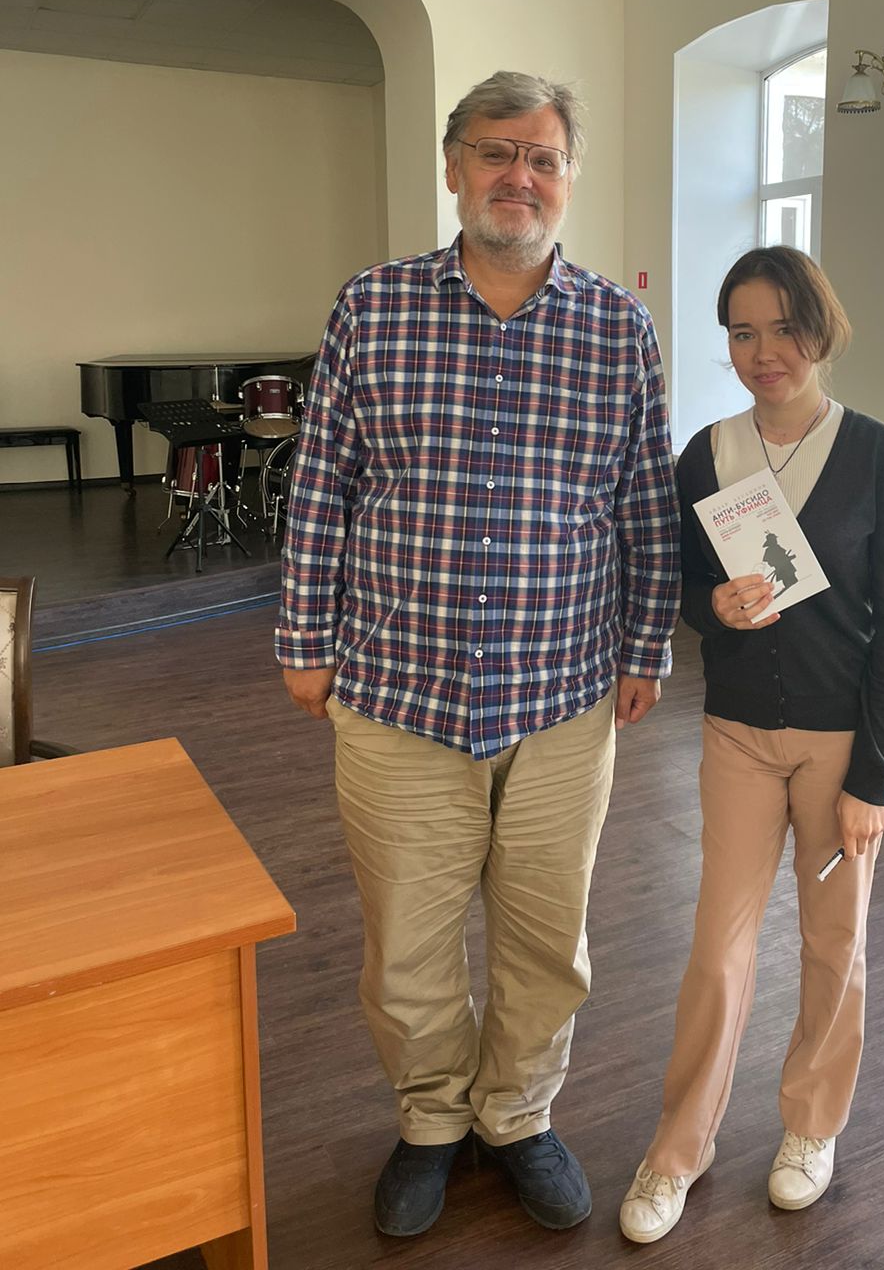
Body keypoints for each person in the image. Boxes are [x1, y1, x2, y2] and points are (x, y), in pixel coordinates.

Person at [277, 71, 679, 1240]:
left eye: (544, 158)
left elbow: (643, 504)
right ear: (454, 167)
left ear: (569, 179)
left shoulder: (618, 329)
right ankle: (431, 1121)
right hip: (397, 694)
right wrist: (304, 638)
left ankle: (517, 1115)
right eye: (498, 152)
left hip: (563, 698)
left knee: (548, 939)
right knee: (407, 944)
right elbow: (323, 484)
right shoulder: (374, 307)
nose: (521, 176)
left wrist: (645, 645)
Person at [619, 245, 884, 1244]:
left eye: (784, 329)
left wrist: (875, 773)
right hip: (738, 735)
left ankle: (811, 1126)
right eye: (743, 333)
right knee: (718, 948)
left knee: (835, 944)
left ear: (819, 329)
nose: (764, 353)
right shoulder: (707, 455)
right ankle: (680, 1147)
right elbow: (670, 581)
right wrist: (710, 603)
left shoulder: (878, 455)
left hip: (841, 745)